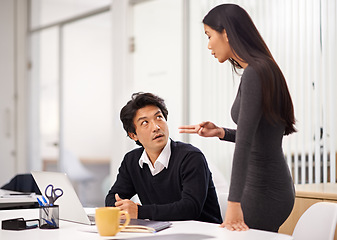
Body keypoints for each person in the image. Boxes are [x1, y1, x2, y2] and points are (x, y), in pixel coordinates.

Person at [179, 4, 296, 232]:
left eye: (209, 35)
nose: (209, 45)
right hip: (272, 184)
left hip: (264, 189)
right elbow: (262, 134)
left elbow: (245, 144)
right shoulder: (263, 68)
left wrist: (233, 204)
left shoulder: (255, 72)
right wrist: (221, 132)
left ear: (227, 33)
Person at [105, 92, 222, 224]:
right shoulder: (131, 161)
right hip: (162, 232)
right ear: (133, 135)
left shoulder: (191, 157)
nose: (156, 127)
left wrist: (139, 212)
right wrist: (122, 207)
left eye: (159, 117)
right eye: (145, 122)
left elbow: (190, 208)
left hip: (203, 234)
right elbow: (113, 197)